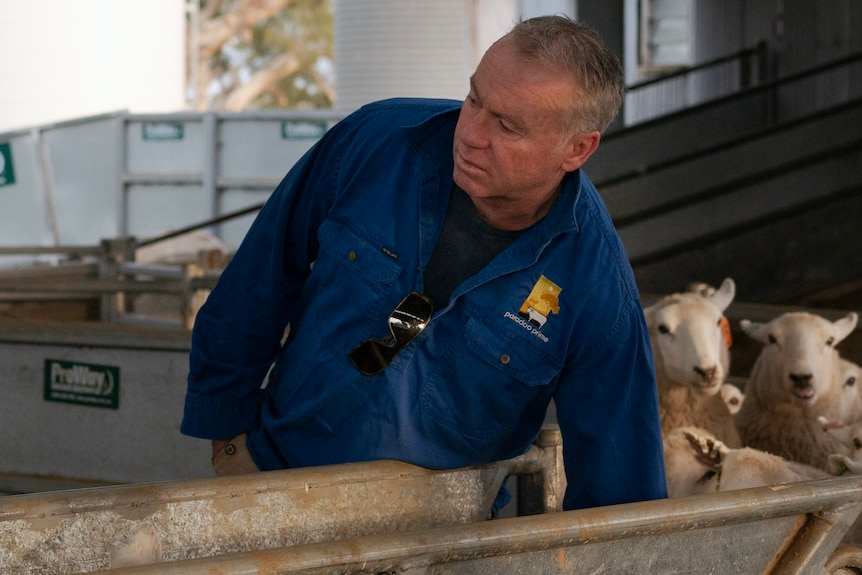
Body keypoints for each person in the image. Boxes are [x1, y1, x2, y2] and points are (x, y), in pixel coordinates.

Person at [181, 14, 667, 511]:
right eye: (475, 99)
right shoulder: (373, 143)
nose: (472, 134)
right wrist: (229, 442)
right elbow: (257, 280)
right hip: (275, 488)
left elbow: (620, 488)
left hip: (441, 546)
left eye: (507, 126)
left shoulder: (596, 288)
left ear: (577, 148)